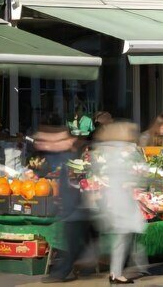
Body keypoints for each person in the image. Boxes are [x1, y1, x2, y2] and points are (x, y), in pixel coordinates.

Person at [92, 121, 149, 284]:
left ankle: (117, 270)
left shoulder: (102, 150)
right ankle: (118, 272)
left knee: (121, 234)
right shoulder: (128, 150)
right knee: (125, 233)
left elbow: (96, 170)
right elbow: (142, 171)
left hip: (109, 195)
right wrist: (134, 181)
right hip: (121, 197)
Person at [38, 126, 89, 283]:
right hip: (72, 210)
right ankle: (73, 268)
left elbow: (73, 186)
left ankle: (59, 273)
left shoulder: (75, 160)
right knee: (74, 243)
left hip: (75, 210)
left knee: (73, 245)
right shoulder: (68, 158)